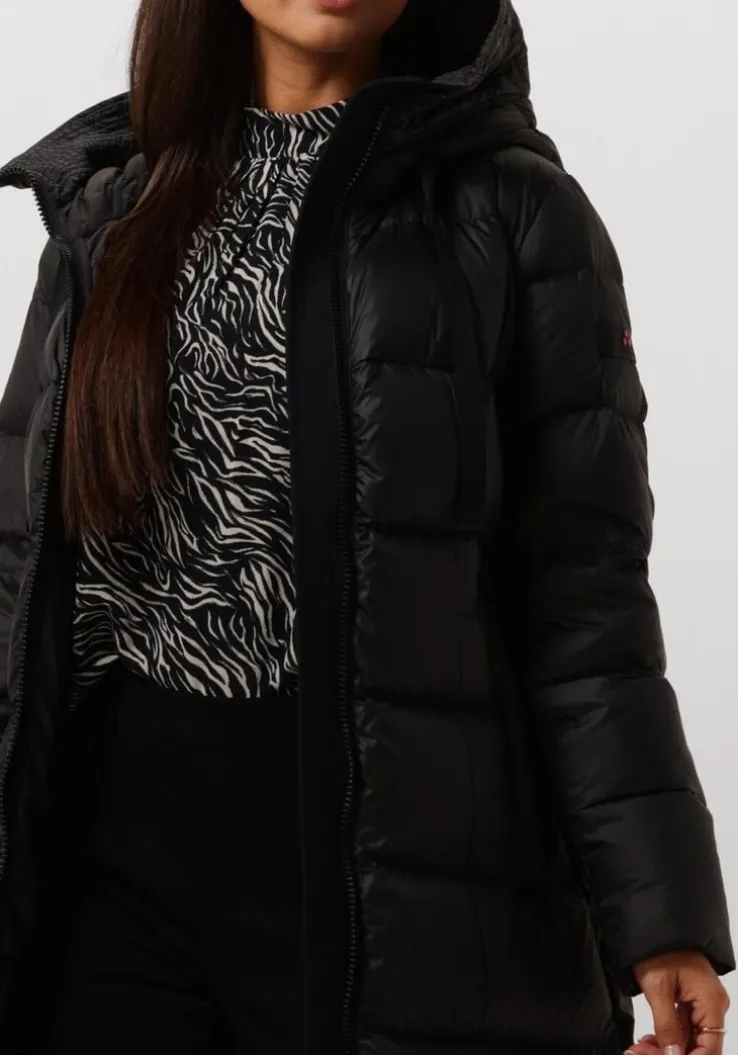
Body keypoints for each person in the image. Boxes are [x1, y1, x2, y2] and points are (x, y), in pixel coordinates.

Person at [0, 0, 733, 1052]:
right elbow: (17, 562)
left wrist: (661, 921)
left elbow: (585, 595)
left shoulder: (515, 212)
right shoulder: (110, 204)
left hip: (378, 876)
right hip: (111, 867)